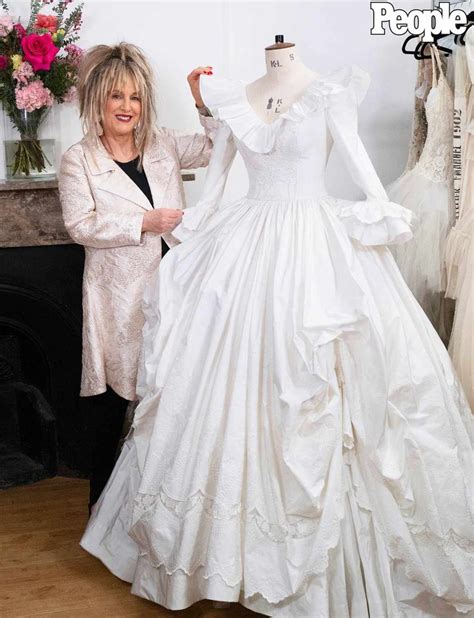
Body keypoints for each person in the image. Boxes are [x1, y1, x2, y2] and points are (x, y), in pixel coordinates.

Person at [81, 54, 473, 616]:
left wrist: (381, 206)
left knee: (329, 374)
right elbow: (215, 183)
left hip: (316, 239)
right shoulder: (240, 99)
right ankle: (226, 557)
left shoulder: (329, 90)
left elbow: (356, 156)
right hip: (247, 240)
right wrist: (196, 225)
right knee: (230, 380)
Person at [58, 42, 219, 510]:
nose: (127, 107)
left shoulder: (162, 142)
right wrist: (144, 223)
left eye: (135, 97)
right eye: (116, 97)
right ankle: (102, 508)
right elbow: (80, 225)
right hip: (119, 296)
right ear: (97, 102)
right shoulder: (79, 159)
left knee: (172, 391)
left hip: (176, 285)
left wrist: (200, 98)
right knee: (115, 400)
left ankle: (164, 504)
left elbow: (215, 147)